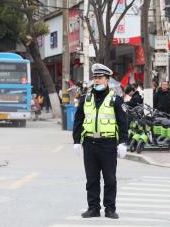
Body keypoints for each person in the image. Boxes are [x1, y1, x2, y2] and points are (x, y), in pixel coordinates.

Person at [72, 63, 128, 220]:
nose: (96, 81)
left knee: (110, 178)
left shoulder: (116, 100)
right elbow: (78, 121)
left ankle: (110, 209)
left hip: (108, 143)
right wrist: (76, 141)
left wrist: (123, 142)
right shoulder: (85, 99)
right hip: (90, 143)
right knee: (92, 179)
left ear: (107, 80)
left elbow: (123, 122)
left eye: (100, 78)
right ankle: (93, 208)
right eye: (95, 78)